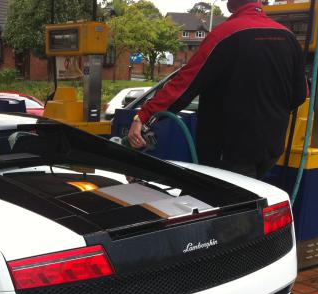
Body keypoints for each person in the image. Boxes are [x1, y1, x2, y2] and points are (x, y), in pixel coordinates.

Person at [128, 0, 307, 179]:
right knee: (248, 198)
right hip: (271, 149)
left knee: (225, 203)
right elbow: (301, 94)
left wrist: (143, 116)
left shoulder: (225, 34)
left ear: (232, 4)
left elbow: (184, 85)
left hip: (230, 149)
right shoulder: (289, 38)